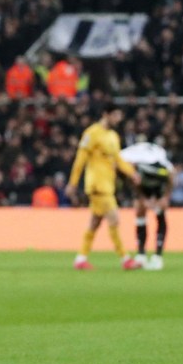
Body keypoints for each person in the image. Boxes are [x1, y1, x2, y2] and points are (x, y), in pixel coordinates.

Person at [65, 102, 142, 270]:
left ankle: (80, 259)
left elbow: (118, 160)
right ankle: (125, 259)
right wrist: (73, 182)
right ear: (106, 114)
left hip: (108, 185)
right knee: (114, 219)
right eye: (116, 115)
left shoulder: (113, 136)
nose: (119, 119)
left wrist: (132, 173)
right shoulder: (92, 133)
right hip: (97, 185)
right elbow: (80, 160)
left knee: (95, 222)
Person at [120, 141, 175, 271]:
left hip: (157, 186)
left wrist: (165, 197)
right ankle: (141, 254)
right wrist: (143, 199)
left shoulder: (157, 165)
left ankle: (158, 256)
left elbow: (172, 175)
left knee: (160, 212)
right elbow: (132, 183)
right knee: (139, 210)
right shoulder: (127, 166)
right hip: (144, 186)